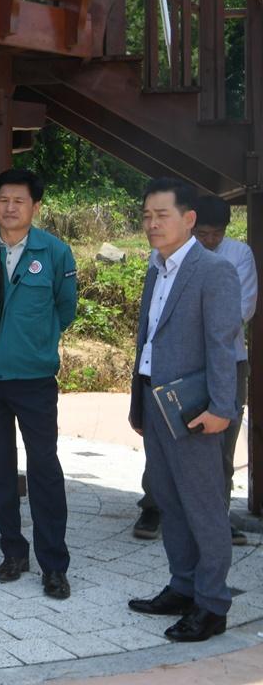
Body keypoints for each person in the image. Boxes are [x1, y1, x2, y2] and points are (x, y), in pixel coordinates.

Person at [126, 178, 240, 643]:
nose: (152, 224)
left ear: (189, 219)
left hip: (196, 408)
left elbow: (223, 346)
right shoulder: (157, 268)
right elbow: (149, 339)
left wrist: (222, 408)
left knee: (204, 507)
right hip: (156, 401)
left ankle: (212, 605)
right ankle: (183, 585)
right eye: (147, 215)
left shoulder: (214, 272)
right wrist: (138, 400)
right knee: (169, 501)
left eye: (162, 215)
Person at [0, 168, 77, 600]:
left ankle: (54, 564)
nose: (10, 207)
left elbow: (65, 309)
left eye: (19, 201)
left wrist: (30, 343)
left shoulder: (56, 252)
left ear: (35, 207)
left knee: (44, 468)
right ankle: (13, 551)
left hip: (35, 379)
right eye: (3, 199)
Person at [132, 195, 256, 545]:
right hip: (172, 366)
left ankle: (217, 514)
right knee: (163, 448)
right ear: (191, 223)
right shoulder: (160, 261)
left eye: (216, 234)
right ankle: (154, 506)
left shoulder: (233, 258)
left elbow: (237, 315)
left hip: (223, 365)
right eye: (203, 232)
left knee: (218, 447)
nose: (209, 240)